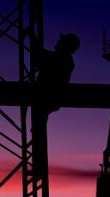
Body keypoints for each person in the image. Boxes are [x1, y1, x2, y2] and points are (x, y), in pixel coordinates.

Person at [32, 33, 80, 178]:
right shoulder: (64, 59)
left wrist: (33, 38)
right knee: (39, 130)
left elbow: (40, 56)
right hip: (49, 100)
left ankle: (39, 170)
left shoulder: (61, 60)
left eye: (60, 42)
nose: (56, 43)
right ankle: (39, 169)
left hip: (46, 98)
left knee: (39, 131)